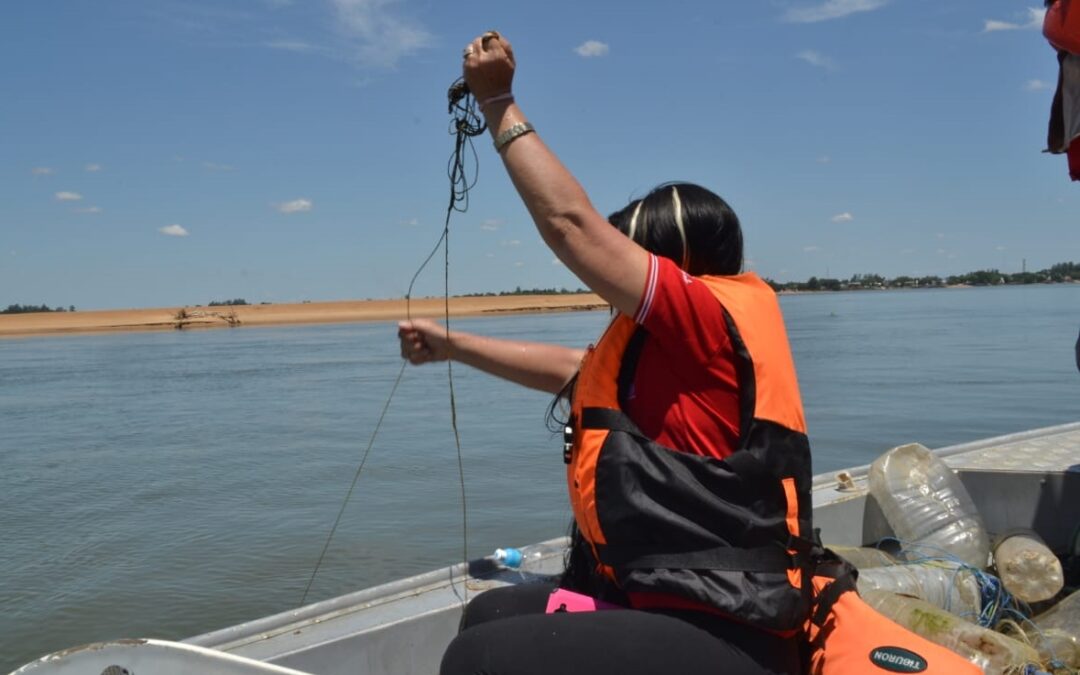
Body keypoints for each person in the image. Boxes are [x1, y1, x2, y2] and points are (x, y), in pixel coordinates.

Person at [398, 31, 813, 675]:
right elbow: (571, 371)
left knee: (478, 659)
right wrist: (453, 346)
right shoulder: (668, 349)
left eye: (633, 259)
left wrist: (499, 103)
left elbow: (572, 227)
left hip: (728, 627)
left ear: (675, 263)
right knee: (489, 617)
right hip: (659, 598)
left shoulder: (703, 316)